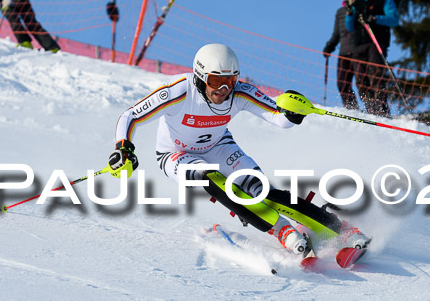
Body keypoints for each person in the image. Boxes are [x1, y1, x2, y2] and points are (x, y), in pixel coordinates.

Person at [108, 43, 370, 256]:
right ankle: (282, 230)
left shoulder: (240, 93)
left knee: (262, 190)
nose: (223, 90)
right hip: (175, 154)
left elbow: (278, 118)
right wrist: (123, 147)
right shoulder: (178, 92)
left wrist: (293, 112)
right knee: (214, 180)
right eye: (215, 81)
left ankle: (340, 229)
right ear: (200, 77)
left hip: (218, 146)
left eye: (230, 81)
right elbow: (130, 116)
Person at [345, 0, 400, 117]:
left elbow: (394, 19)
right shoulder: (359, 1)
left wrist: (375, 18)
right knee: (361, 80)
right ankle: (371, 110)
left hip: (376, 42)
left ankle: (382, 110)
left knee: (375, 75)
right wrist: (350, 13)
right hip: (359, 44)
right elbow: (350, 26)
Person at [323, 0, 362, 110]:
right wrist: (330, 46)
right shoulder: (340, 12)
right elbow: (336, 34)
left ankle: (374, 110)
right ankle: (352, 109)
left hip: (359, 52)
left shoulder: (362, 10)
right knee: (342, 83)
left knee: (362, 83)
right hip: (344, 53)